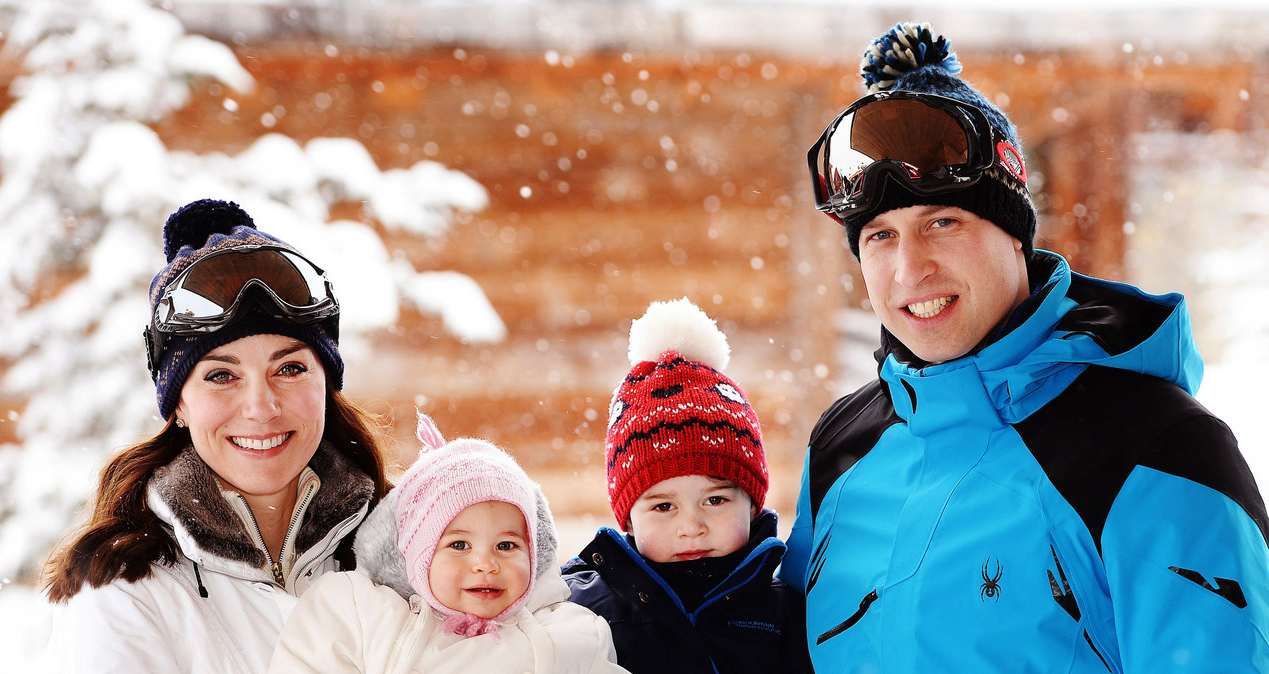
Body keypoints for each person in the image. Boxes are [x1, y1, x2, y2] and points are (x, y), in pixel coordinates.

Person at [781, 21, 1269, 672]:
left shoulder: (1154, 449)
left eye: (942, 222)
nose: (909, 269)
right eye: (880, 237)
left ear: (1015, 235)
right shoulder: (843, 448)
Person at [40, 198, 391, 673]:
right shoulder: (127, 591)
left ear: (325, 384)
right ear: (179, 404)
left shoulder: (414, 544)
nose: (261, 408)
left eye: (289, 368)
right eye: (221, 376)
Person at [562, 297, 812, 673]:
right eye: (664, 506)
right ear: (628, 520)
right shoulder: (582, 615)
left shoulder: (788, 614)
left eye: (714, 500)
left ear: (752, 504)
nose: (691, 527)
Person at [268, 413, 625, 673]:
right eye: (459, 545)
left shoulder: (570, 633)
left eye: (506, 545)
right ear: (417, 552)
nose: (486, 564)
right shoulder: (358, 612)